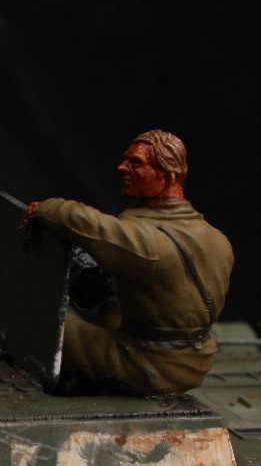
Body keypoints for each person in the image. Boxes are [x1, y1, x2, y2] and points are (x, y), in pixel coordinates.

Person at [23, 130, 233, 396]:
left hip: (149, 364)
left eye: (136, 163)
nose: (122, 167)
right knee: (112, 307)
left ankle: (68, 388)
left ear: (168, 176)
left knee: (37, 321)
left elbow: (91, 224)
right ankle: (90, 380)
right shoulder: (218, 238)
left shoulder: (146, 241)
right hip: (196, 358)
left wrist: (45, 209)